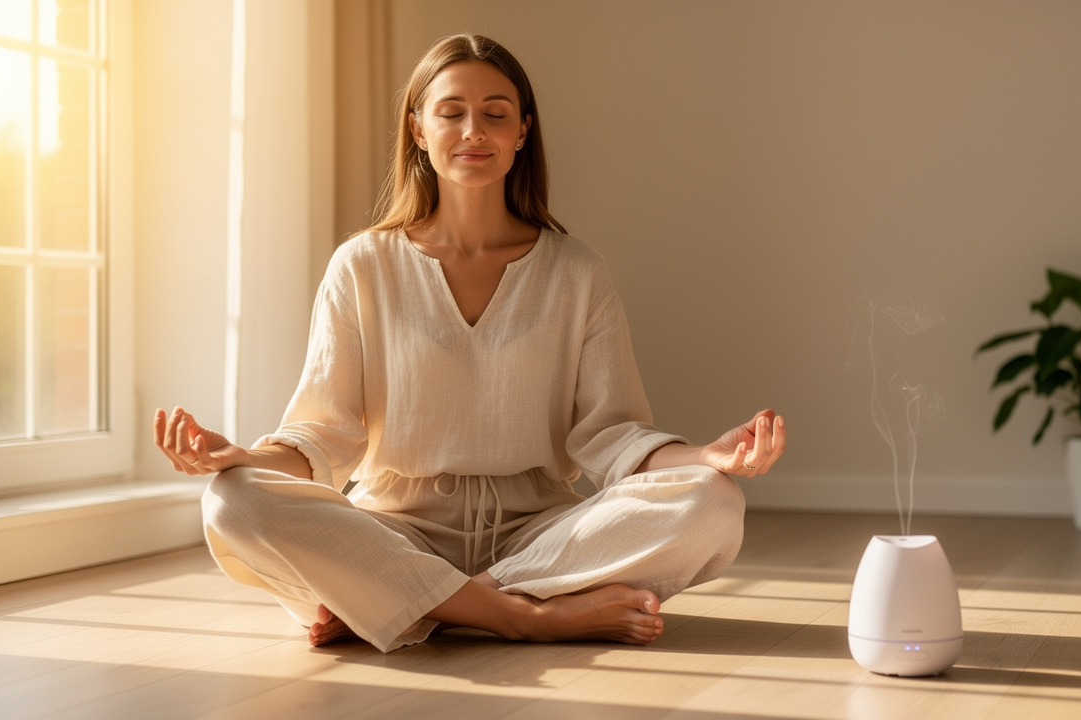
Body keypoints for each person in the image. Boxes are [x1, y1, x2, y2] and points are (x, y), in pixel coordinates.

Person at [153, 33, 786, 653]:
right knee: (232, 499)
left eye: (495, 114)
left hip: (538, 534)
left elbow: (612, 433)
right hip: (394, 531)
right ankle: (526, 616)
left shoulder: (576, 271)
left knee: (713, 502)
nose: (473, 131)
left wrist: (707, 456)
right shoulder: (362, 265)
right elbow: (324, 434)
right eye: (451, 112)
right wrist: (240, 457)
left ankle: (407, 605)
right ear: (418, 130)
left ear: (522, 132)